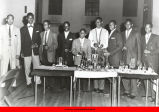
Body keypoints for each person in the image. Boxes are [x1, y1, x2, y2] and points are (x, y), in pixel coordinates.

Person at [21, 12, 42, 87]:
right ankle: (28, 82)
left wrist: (36, 44)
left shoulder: (38, 28)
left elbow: (40, 39)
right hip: (26, 51)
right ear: (27, 19)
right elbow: (21, 42)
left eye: (32, 18)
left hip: (35, 51)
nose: (30, 19)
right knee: (27, 67)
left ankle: (37, 81)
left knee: (37, 66)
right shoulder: (22, 29)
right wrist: (22, 52)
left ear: (33, 18)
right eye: (29, 18)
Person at [88, 17, 109, 93]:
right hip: (94, 51)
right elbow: (89, 41)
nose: (98, 23)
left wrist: (101, 45)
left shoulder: (106, 31)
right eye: (96, 22)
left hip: (102, 52)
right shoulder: (92, 31)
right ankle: (95, 87)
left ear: (102, 22)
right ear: (95, 23)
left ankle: (101, 88)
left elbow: (106, 42)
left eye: (99, 22)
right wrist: (94, 44)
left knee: (102, 68)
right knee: (95, 68)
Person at [122, 19, 141, 99]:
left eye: (129, 24)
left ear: (132, 25)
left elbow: (139, 47)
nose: (127, 25)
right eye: (126, 24)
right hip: (124, 56)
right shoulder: (122, 33)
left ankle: (133, 92)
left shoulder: (136, 33)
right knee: (124, 73)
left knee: (133, 75)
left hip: (133, 57)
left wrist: (139, 59)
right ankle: (126, 90)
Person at [0, 14, 21, 87]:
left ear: (13, 20)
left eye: (12, 19)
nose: (10, 20)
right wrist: (0, 53)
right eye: (9, 19)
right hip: (4, 52)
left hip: (14, 52)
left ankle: (13, 83)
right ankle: (2, 83)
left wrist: (18, 53)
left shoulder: (17, 29)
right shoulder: (1, 28)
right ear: (6, 19)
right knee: (3, 68)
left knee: (13, 67)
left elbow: (19, 42)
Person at [141, 23, 159, 102]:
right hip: (145, 61)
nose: (147, 29)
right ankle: (148, 95)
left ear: (151, 28)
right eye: (146, 27)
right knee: (145, 78)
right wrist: (141, 60)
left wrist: (150, 52)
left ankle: (155, 96)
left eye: (148, 27)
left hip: (153, 61)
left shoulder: (156, 37)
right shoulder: (142, 37)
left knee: (153, 79)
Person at [57, 21, 75, 89]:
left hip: (69, 56)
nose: (66, 27)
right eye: (65, 26)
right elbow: (59, 46)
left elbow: (74, 47)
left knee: (69, 70)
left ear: (69, 27)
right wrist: (59, 56)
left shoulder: (73, 35)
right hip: (62, 55)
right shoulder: (60, 35)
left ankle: (69, 85)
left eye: (67, 26)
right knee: (62, 70)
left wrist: (70, 50)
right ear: (63, 27)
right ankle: (62, 85)